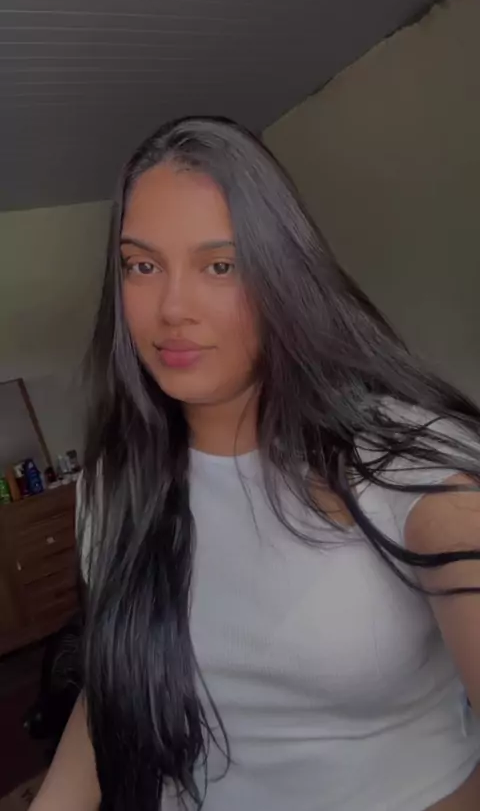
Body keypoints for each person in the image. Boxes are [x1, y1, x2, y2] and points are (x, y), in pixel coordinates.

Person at [31, 117, 480, 811]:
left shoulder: (409, 466)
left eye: (220, 265)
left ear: (283, 275)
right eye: (142, 266)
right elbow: (116, 685)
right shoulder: (112, 487)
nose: (172, 308)